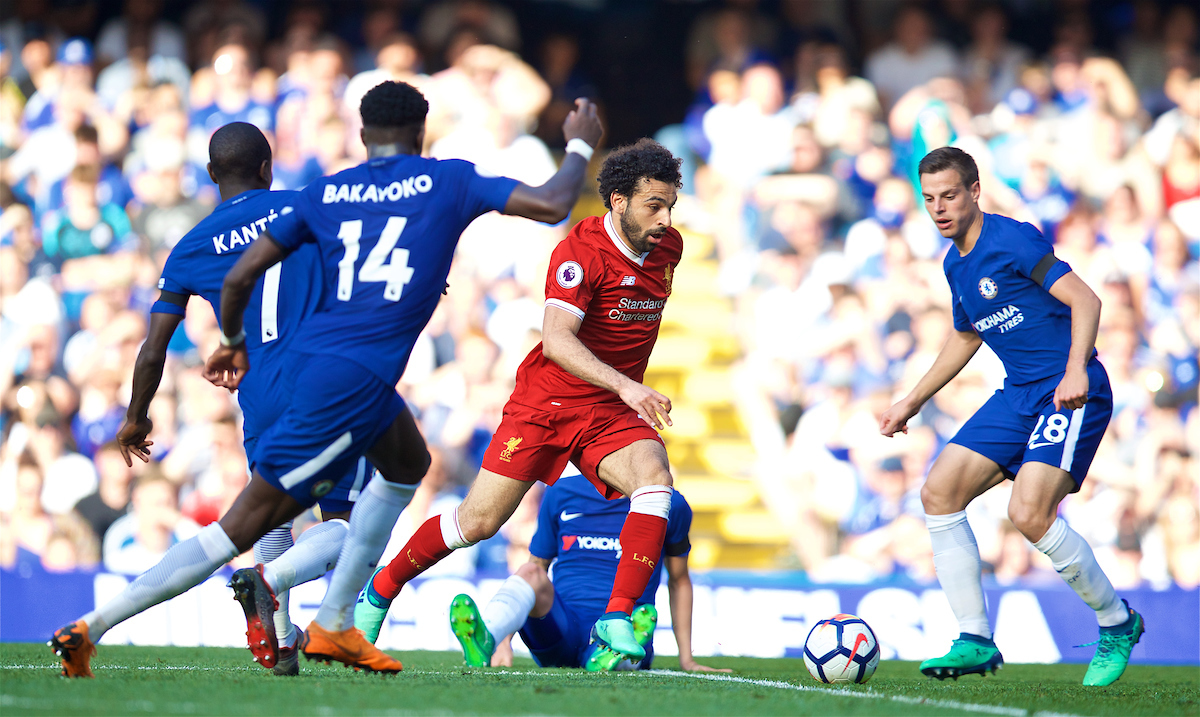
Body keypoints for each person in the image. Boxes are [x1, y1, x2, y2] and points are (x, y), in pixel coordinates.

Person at [46, 81, 603, 679]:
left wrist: (218, 353)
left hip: (274, 384)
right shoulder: (338, 194)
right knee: (257, 525)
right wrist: (576, 146)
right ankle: (95, 627)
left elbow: (220, 296)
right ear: (421, 132)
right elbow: (548, 204)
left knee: (405, 463)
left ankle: (305, 630)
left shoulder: (313, 201)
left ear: (362, 137)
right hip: (339, 376)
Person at [355, 137, 684, 666]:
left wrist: (620, 391)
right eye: (654, 205)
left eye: (671, 204)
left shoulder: (669, 248)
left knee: (655, 480)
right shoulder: (578, 253)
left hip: (607, 411)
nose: (666, 218)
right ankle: (381, 588)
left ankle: (617, 615)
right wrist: (625, 383)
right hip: (547, 405)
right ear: (618, 201)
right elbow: (557, 340)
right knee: (476, 523)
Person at [879, 147, 1144, 687]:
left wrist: (1075, 368)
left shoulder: (1014, 238)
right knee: (939, 492)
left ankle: (1117, 622)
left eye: (949, 195)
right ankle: (975, 638)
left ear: (975, 192)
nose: (939, 209)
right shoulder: (955, 264)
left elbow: (1086, 301)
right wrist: (913, 399)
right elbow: (966, 335)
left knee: (1029, 512)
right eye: (929, 199)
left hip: (1071, 390)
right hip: (1019, 394)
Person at [435, 470, 730, 673]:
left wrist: (687, 658)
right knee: (530, 572)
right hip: (561, 627)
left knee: (621, 640)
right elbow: (536, 569)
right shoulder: (561, 493)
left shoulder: (669, 504)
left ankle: (616, 651)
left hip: (622, 623)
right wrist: (505, 641)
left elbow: (679, 581)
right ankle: (490, 636)